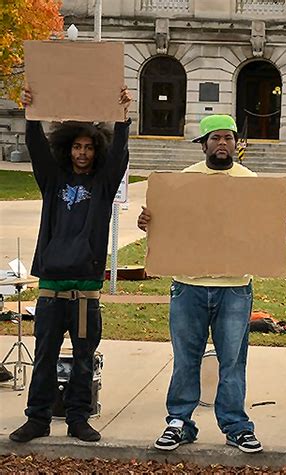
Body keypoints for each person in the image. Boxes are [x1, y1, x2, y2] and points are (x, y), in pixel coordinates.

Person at [137, 114, 286, 453]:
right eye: (215, 138)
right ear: (204, 144)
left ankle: (236, 425)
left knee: (232, 360)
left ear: (236, 143)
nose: (222, 143)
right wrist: (151, 225)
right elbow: (170, 232)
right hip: (188, 286)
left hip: (235, 289)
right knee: (186, 358)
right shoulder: (182, 182)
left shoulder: (251, 183)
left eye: (228, 137)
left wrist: (281, 236)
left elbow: (256, 241)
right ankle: (179, 422)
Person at [9, 86, 132, 443]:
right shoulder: (52, 181)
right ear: (68, 149)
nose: (82, 153)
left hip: (85, 291)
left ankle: (79, 418)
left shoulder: (104, 184)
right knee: (44, 356)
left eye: (89, 147)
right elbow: (35, 149)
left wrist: (123, 117)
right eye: (77, 147)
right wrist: (31, 114)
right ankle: (38, 419)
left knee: (82, 357)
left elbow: (120, 154)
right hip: (50, 288)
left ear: (97, 151)